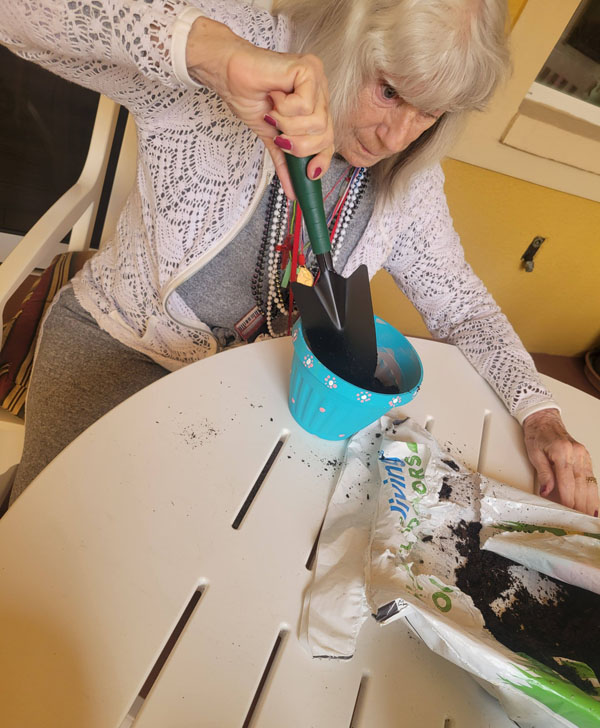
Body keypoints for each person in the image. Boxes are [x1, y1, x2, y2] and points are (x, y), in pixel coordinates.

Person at [1, 0, 597, 515]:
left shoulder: (408, 182)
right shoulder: (246, 51)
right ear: (347, 33)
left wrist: (539, 413)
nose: (398, 137)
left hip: (258, 388)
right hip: (121, 346)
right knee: (64, 532)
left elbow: (463, 306)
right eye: (389, 91)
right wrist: (214, 54)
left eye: (430, 111)